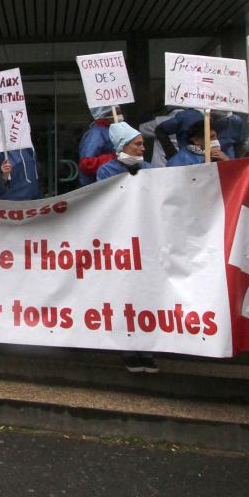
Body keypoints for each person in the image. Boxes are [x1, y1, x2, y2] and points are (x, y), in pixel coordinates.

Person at [95, 122, 157, 374]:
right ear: (123, 146)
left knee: (146, 296)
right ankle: (129, 348)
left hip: (145, 242)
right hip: (120, 245)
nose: (143, 148)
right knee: (125, 296)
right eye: (138, 144)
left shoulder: (151, 170)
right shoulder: (106, 172)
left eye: (143, 144)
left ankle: (148, 349)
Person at [77, 107, 118, 186]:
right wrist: (115, 158)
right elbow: (87, 164)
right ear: (106, 114)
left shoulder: (110, 130)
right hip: (97, 187)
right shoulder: (96, 133)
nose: (120, 115)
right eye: (117, 112)